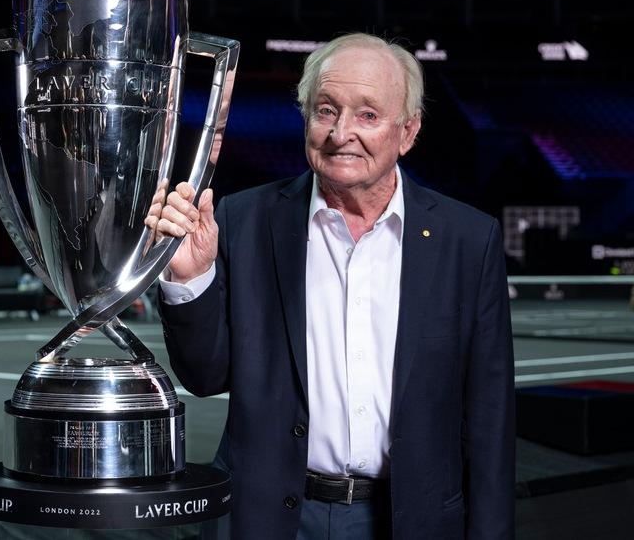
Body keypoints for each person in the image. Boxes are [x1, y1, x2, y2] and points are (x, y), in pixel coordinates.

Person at [148, 33, 514, 538]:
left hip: (409, 520)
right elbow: (206, 376)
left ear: (408, 132)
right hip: (272, 519)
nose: (341, 132)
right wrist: (191, 278)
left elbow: (490, 419)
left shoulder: (469, 240)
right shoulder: (242, 219)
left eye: (368, 115)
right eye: (326, 110)